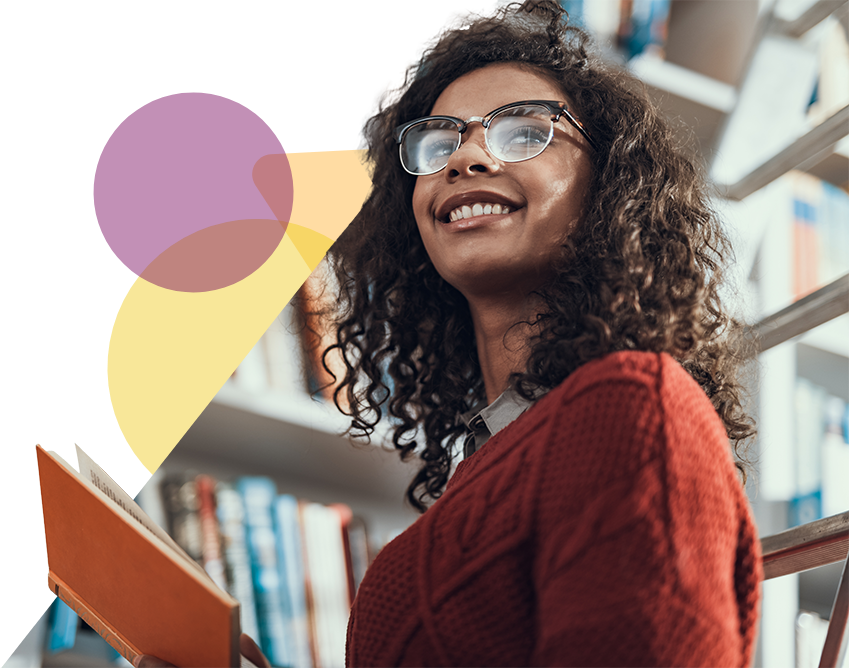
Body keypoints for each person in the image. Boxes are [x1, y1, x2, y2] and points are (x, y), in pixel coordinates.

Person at [140, 1, 764, 667]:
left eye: (525, 132)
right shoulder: (488, 466)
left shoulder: (633, 409)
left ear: (609, 190)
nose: (464, 157)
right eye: (438, 143)